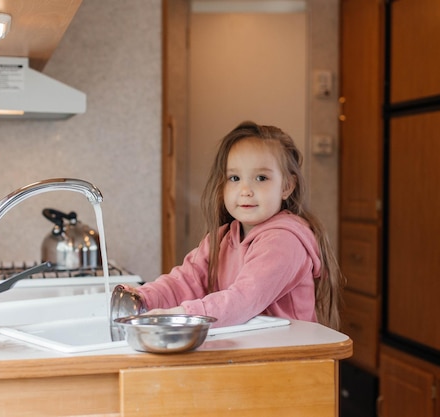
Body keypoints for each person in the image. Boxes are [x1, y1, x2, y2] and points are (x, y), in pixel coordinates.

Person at [134, 121, 344, 329]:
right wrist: (142, 298)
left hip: (290, 357)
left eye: (261, 178)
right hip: (251, 352)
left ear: (287, 186)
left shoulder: (283, 241)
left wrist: (181, 315)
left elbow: (243, 299)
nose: (245, 190)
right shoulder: (223, 238)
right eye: (234, 178)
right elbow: (186, 282)